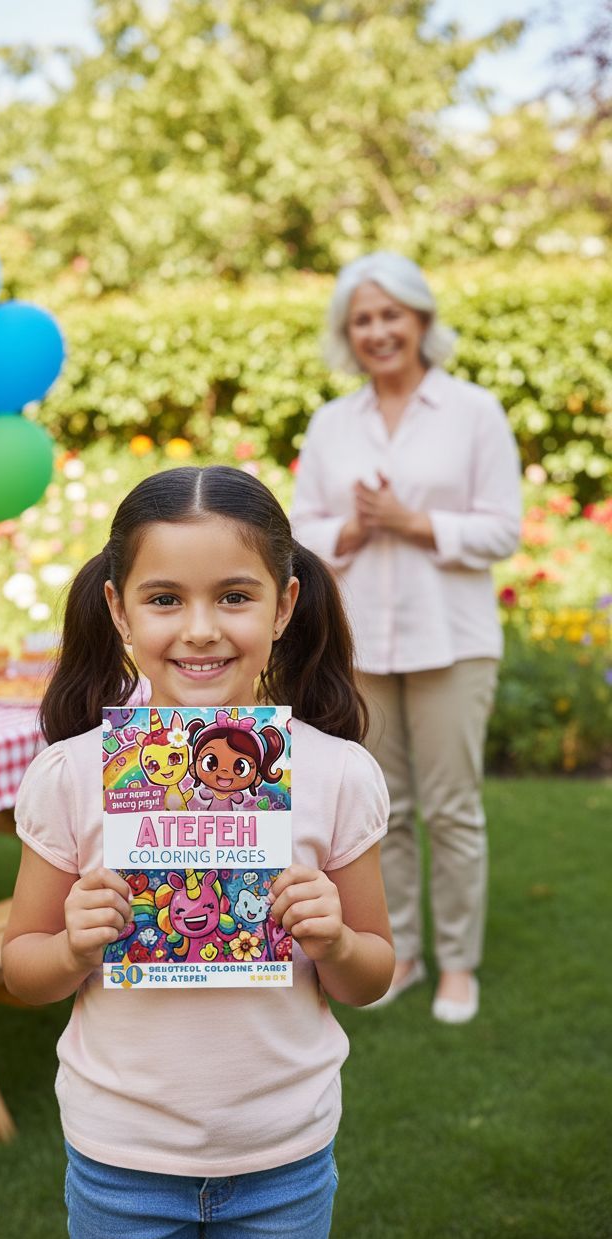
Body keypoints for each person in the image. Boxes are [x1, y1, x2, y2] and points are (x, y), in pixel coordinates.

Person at [2, 464, 394, 1239]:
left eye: (235, 596)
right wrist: (74, 946)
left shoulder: (338, 774)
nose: (201, 629)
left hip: (284, 1154)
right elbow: (22, 969)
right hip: (122, 1155)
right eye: (165, 599)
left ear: (285, 605)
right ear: (119, 610)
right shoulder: (73, 774)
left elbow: (371, 975)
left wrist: (338, 943)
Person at [290, 251, 521, 1025]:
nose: (378, 331)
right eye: (363, 319)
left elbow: (502, 529)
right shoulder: (331, 424)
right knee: (376, 810)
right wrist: (354, 529)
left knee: (452, 809)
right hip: (360, 645)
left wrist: (413, 522)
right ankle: (402, 953)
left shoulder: (474, 412)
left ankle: (456, 962)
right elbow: (300, 530)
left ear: (420, 319)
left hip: (453, 641)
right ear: (347, 333)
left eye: (391, 314)